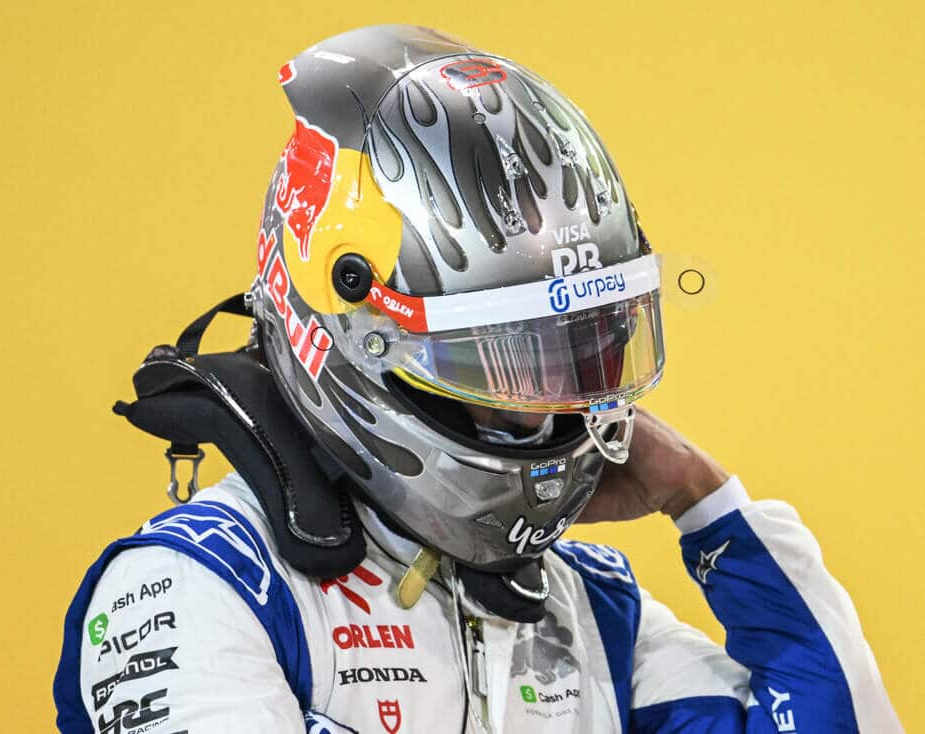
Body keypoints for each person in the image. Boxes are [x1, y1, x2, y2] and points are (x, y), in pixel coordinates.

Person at [53, 25, 902, 733]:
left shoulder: (591, 612)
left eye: (575, 355)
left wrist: (707, 502)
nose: (544, 412)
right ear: (351, 332)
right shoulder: (191, 589)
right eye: (500, 362)